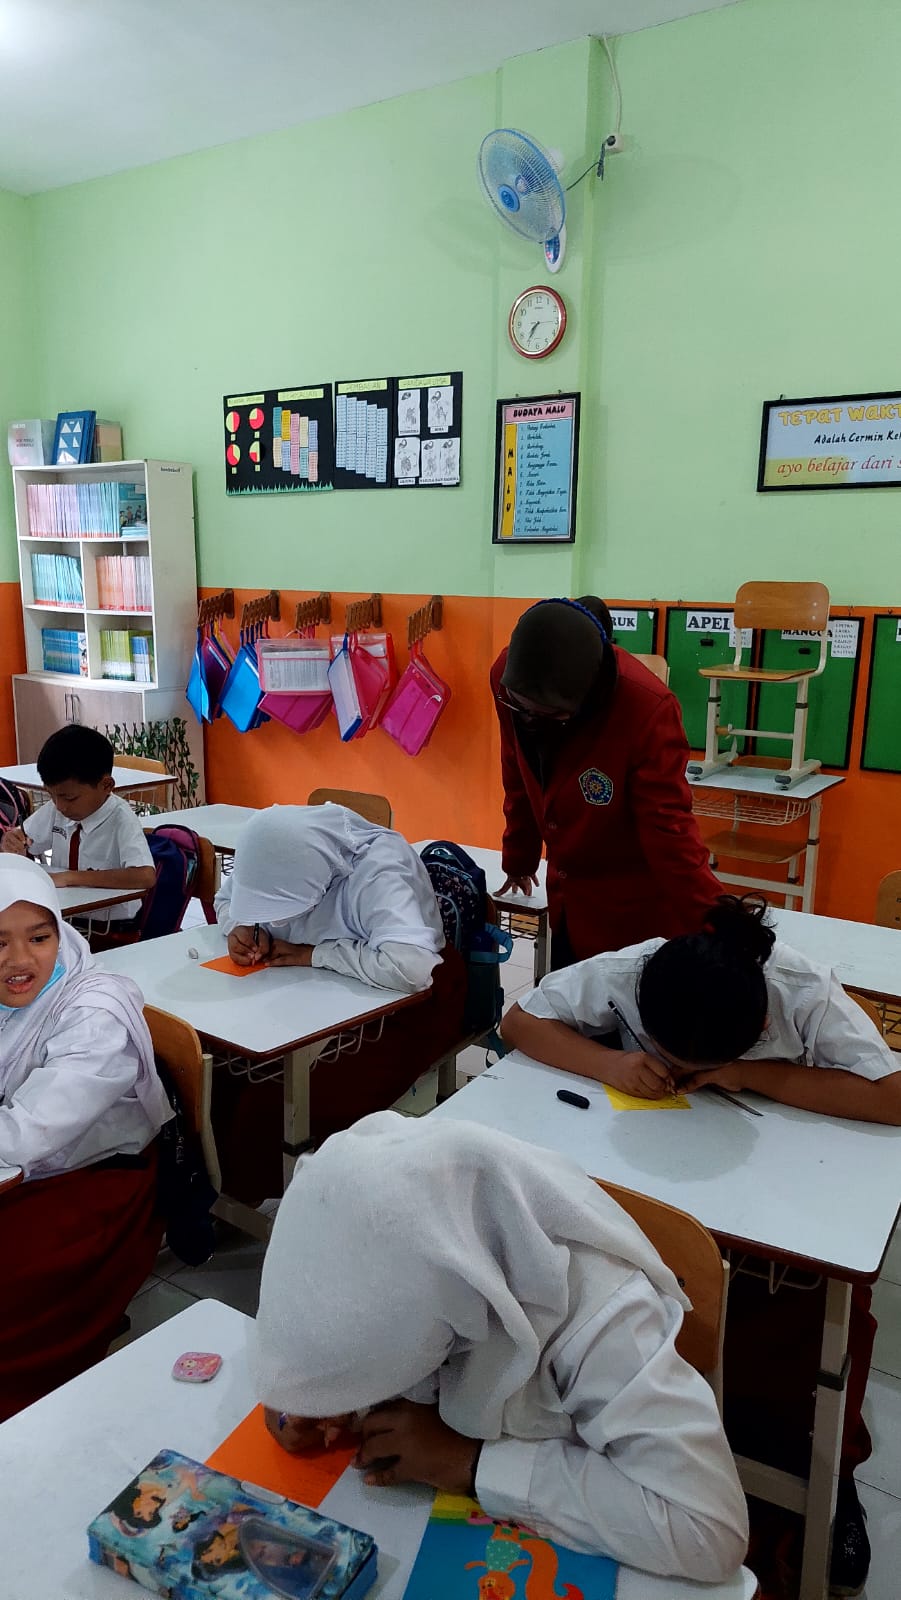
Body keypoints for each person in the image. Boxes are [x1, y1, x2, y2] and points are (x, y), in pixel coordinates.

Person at [502, 893, 901, 1593]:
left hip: (772, 1186)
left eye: (700, 1065)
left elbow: (892, 1096)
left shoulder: (801, 993)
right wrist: (610, 1065)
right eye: (669, 1058)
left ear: (761, 1028)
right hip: (656, 1171)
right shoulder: (632, 971)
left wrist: (749, 1076)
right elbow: (517, 1021)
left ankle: (829, 1478)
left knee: (816, 1318)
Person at [252, 1112, 748, 1583]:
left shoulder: (603, 1317)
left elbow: (708, 1530)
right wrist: (310, 1390)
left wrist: (471, 1463)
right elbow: (330, 1298)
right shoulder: (399, 1248)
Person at [211, 805, 466, 1195]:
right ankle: (214, 1187)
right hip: (309, 989)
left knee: (270, 1105)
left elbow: (410, 967)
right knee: (222, 1071)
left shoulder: (380, 870)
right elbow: (226, 899)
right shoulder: (265, 852)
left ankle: (272, 1193)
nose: (275, 921)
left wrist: (314, 954)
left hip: (406, 1001)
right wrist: (240, 927)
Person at [0, 857, 172, 1420]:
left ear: (59, 930)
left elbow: (29, 1131)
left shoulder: (95, 1012)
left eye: (39, 937)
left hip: (94, 1176)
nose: (20, 959)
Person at [491, 597, 721, 966]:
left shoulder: (647, 710)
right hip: (568, 903)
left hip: (634, 912)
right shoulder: (507, 678)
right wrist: (519, 854)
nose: (530, 720)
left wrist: (719, 924)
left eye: (550, 715)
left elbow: (669, 829)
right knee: (564, 995)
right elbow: (516, 769)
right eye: (523, 709)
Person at [1, 724, 155, 923]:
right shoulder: (57, 807)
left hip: (110, 926)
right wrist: (12, 841)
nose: (60, 806)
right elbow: (26, 839)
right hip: (66, 917)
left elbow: (145, 876)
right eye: (52, 795)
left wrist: (71, 877)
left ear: (106, 785)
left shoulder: (121, 818)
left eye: (70, 798)